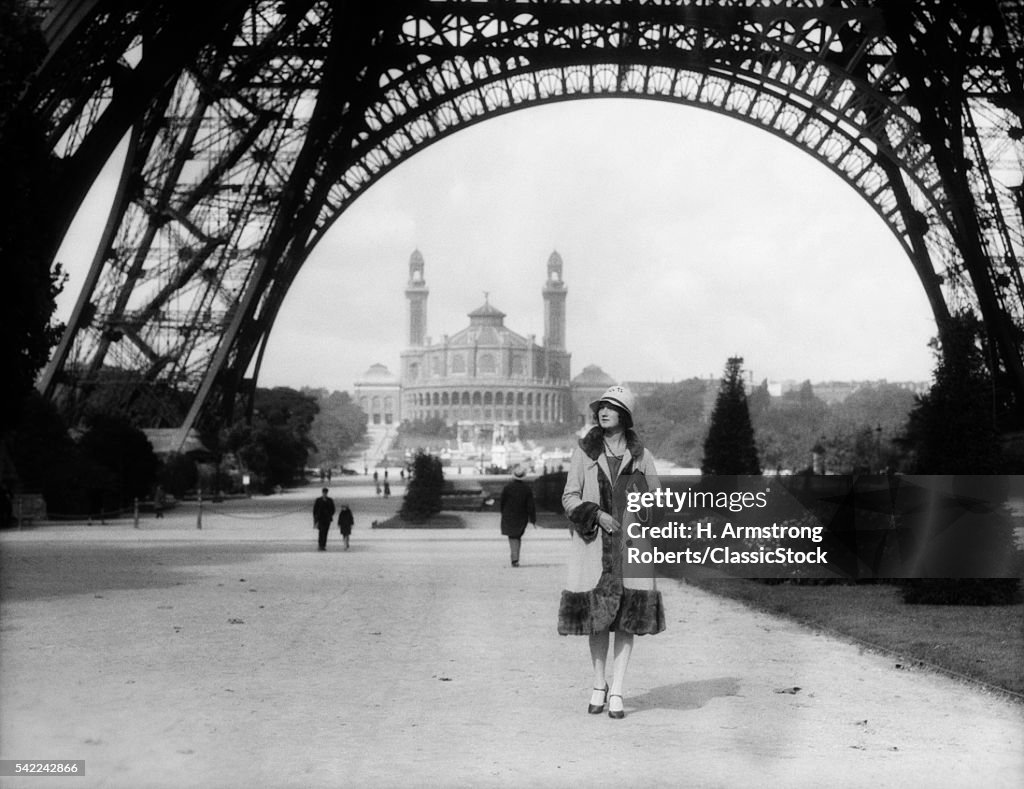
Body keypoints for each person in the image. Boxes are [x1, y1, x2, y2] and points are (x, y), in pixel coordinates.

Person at [558, 385, 665, 719]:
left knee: (627, 620)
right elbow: (569, 497)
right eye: (601, 407)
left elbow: (657, 500)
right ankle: (598, 683)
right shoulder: (584, 452)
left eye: (612, 407)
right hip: (594, 548)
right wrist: (596, 514)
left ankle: (617, 689)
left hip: (630, 548)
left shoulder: (641, 456)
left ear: (624, 415)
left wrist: (640, 509)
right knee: (597, 621)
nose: (604, 412)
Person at [500, 464, 536, 567]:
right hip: (521, 516)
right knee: (517, 536)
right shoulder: (526, 489)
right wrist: (532, 519)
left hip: (509, 515)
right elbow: (530, 506)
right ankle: (515, 558)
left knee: (512, 537)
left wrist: (503, 513)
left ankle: (514, 558)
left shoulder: (507, 487)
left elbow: (502, 502)